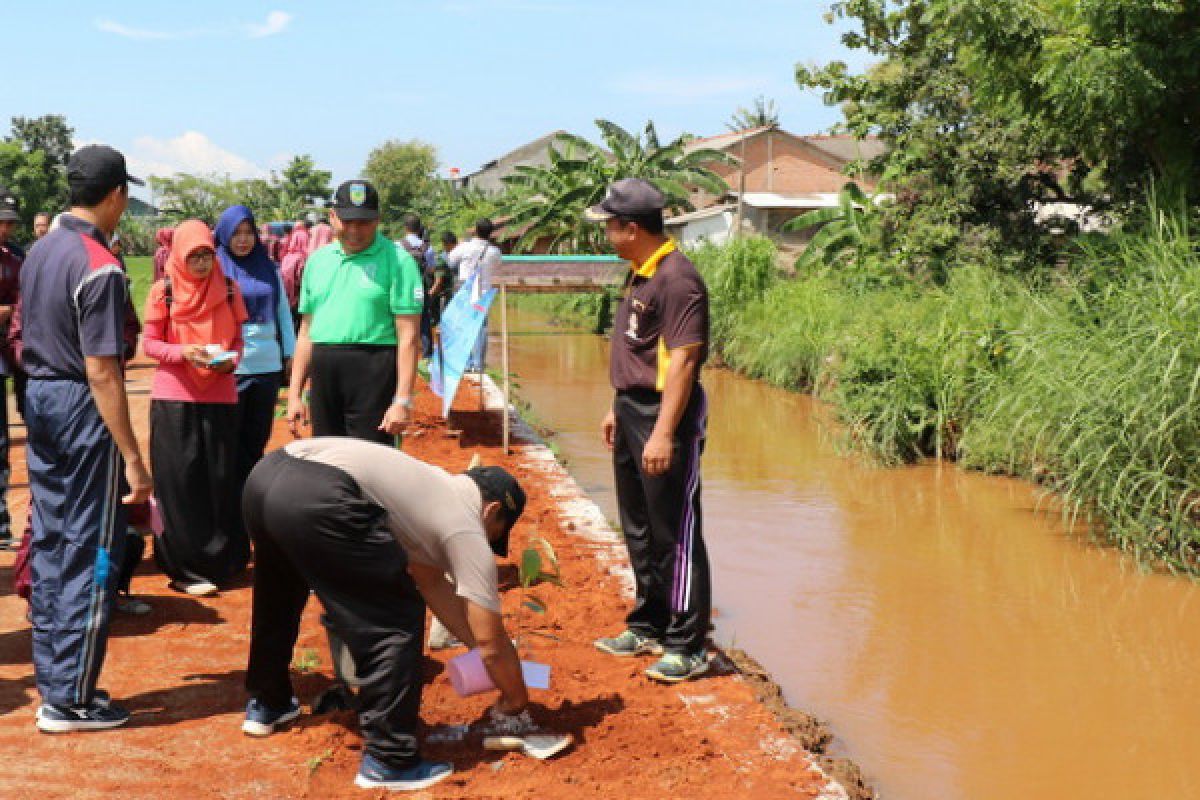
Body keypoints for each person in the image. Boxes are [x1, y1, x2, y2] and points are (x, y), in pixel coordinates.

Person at [241, 437, 549, 790]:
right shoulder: (466, 525)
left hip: (265, 479)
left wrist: (484, 653)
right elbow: (490, 640)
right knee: (395, 618)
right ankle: (389, 759)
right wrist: (516, 698)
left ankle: (269, 702)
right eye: (496, 533)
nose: (488, 542)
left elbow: (433, 584)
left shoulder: (430, 491)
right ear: (492, 511)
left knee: (279, 592)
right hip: (320, 493)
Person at [20, 144, 152, 731]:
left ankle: (58, 680)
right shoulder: (100, 265)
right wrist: (133, 457)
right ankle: (69, 698)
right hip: (80, 404)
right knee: (92, 547)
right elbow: (103, 369)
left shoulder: (40, 250)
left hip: (39, 398)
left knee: (51, 540)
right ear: (117, 194)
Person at [588, 179, 713, 684]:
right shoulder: (639, 273)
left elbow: (683, 361)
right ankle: (648, 624)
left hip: (667, 414)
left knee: (675, 530)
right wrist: (617, 405)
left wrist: (663, 432)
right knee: (639, 526)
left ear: (631, 228)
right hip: (632, 408)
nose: (606, 235)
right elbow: (639, 350)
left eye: (610, 226)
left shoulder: (678, 278)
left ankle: (688, 643)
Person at [142, 219, 249, 597]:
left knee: (218, 480)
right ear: (179, 255)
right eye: (194, 256)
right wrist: (182, 352)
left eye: (207, 255)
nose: (202, 264)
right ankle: (183, 567)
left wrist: (229, 361)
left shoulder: (230, 290)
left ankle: (221, 561)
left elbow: (237, 341)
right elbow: (150, 344)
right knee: (179, 484)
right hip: (175, 396)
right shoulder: (163, 291)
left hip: (220, 395)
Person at [286, 180, 423, 444]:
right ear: (332, 217)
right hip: (325, 370)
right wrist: (295, 394)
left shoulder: (398, 261)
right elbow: (306, 332)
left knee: (371, 463)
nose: (355, 230)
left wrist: (402, 400)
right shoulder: (318, 262)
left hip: (374, 370)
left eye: (364, 222)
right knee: (327, 458)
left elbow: (408, 337)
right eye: (347, 222)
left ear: (378, 219)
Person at [213, 205, 295, 524]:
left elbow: (283, 314)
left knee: (255, 442)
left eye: (249, 233)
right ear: (224, 234)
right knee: (228, 445)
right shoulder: (216, 266)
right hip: (230, 368)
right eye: (237, 233)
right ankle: (228, 514)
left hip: (267, 367)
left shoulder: (269, 267)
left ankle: (249, 513)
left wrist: (289, 353)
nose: (243, 240)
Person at [0, 187, 24, 551]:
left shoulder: (17, 256)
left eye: (9, 223)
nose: (5, 228)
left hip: (9, 356)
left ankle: (1, 522)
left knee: (2, 443)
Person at [446, 218, 501, 370]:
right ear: (491, 233)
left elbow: (450, 261)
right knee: (481, 327)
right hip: (483, 292)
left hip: (465, 289)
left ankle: (465, 362)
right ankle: (478, 364)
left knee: (462, 325)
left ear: (475, 230)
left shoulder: (465, 247)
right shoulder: (494, 251)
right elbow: (497, 265)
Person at [398, 215, 437, 358]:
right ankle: (427, 354)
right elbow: (432, 270)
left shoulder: (398, 245)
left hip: (403, 288)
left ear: (405, 228)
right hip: (420, 288)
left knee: (401, 317)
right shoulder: (428, 247)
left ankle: (403, 351)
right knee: (424, 318)